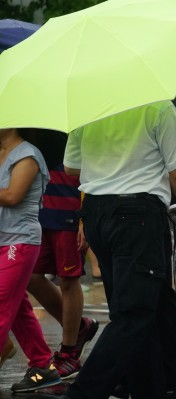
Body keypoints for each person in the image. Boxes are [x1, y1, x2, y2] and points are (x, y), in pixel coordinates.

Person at [61, 101, 176, 399]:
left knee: (141, 315)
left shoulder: (88, 107)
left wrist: (108, 160)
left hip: (97, 212)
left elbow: (71, 167)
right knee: (134, 316)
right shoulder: (158, 107)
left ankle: (148, 391)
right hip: (137, 215)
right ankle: (82, 393)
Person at [21, 128, 99, 380]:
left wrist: (84, 218)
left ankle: (69, 353)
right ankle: (79, 328)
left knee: (69, 279)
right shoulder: (34, 121)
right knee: (31, 276)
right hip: (40, 208)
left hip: (70, 208)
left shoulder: (76, 121)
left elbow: (90, 168)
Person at [0, 128, 62, 392]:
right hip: (3, 240)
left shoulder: (27, 154)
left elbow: (13, 196)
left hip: (20, 241)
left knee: (2, 302)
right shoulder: (2, 153)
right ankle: (42, 366)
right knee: (19, 311)